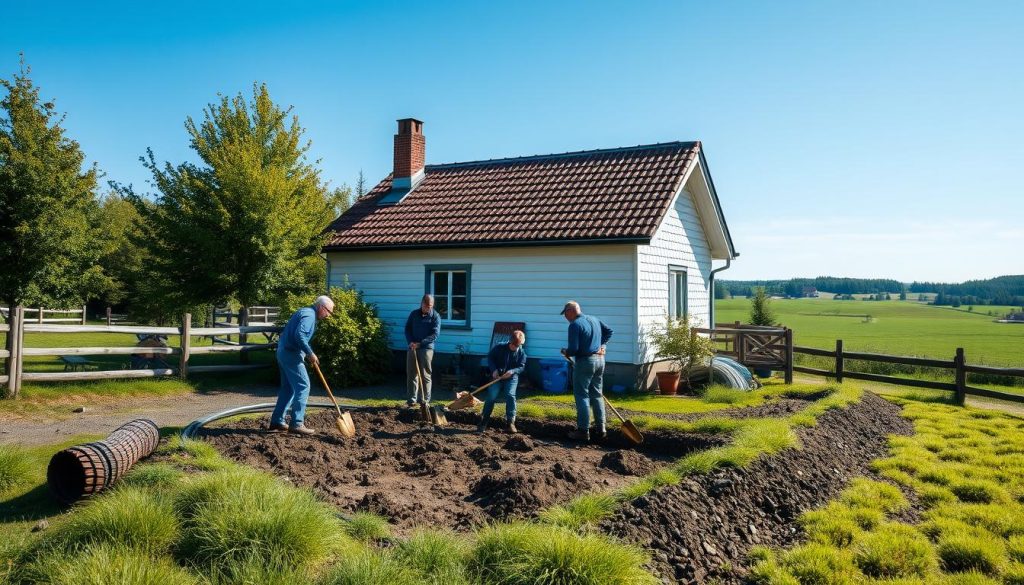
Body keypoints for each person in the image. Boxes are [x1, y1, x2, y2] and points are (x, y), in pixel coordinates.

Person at [269, 295, 335, 435]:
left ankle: (277, 421)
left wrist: (306, 353)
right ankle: (297, 423)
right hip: (291, 354)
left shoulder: (305, 312)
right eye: (329, 312)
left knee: (288, 389)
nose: (328, 316)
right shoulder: (310, 315)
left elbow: (297, 334)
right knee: (303, 386)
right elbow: (300, 335)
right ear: (321, 307)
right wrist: (310, 353)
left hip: (283, 352)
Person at [560, 300, 613, 441]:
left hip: (585, 362)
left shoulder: (575, 325)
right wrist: (603, 346)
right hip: (600, 361)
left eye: (565, 314)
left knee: (582, 395)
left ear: (570, 311)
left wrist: (566, 352)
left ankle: (583, 431)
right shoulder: (594, 319)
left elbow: (574, 349)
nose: (565, 317)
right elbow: (609, 332)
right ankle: (601, 429)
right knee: (597, 395)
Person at [478, 330, 527, 434]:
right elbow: (490, 357)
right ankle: (483, 421)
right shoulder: (499, 347)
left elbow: (521, 367)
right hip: (497, 376)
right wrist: (494, 370)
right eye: (514, 345)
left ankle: (510, 423)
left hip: (511, 377)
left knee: (510, 395)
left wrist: (513, 371)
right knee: (491, 396)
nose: (515, 347)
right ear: (510, 341)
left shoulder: (521, 352)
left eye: (518, 345)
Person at [405, 294, 441, 407]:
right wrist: (410, 341)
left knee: (425, 375)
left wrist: (420, 344)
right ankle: (411, 400)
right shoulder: (414, 314)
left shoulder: (435, 316)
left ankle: (425, 400)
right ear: (422, 304)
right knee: (412, 374)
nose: (429, 308)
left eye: (431, 306)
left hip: (426, 348)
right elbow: (407, 328)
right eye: (427, 306)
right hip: (412, 347)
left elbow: (435, 334)